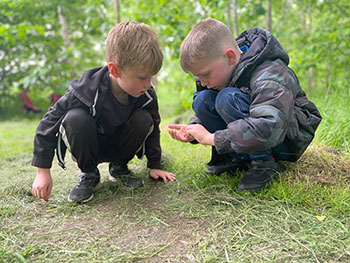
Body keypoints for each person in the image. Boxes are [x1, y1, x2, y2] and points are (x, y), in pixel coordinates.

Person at [168, 18, 321, 192]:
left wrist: (211, 139)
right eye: (198, 77)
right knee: (203, 100)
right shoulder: (224, 71)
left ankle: (264, 164)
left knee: (227, 98)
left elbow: (270, 127)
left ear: (230, 57)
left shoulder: (270, 71)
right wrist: (194, 129)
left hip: (286, 139)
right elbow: (212, 106)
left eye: (205, 75)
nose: (204, 82)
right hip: (256, 135)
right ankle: (237, 159)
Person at [32, 22, 176, 203]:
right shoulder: (84, 89)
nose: (148, 83)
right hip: (90, 145)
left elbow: (153, 128)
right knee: (75, 118)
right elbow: (48, 122)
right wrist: (42, 171)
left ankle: (119, 168)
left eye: (151, 77)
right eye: (142, 77)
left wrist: (154, 165)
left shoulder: (145, 94)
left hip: (122, 145)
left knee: (144, 118)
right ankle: (89, 173)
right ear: (114, 70)